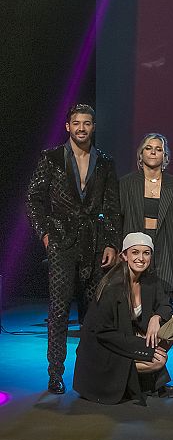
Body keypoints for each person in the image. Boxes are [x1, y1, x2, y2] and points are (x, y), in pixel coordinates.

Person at [26, 103, 120, 394]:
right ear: (68, 126)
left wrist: (111, 243)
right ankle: (56, 373)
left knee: (93, 312)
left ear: (93, 127)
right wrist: (45, 235)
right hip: (61, 244)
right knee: (59, 308)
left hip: (94, 245)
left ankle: (89, 372)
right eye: (76, 123)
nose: (81, 128)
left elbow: (112, 207)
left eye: (87, 123)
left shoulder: (104, 162)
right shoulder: (51, 158)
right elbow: (33, 201)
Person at [74, 232, 172, 404]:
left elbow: (165, 306)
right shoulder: (112, 287)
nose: (141, 258)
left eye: (146, 253)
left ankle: (136, 379)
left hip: (125, 338)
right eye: (135, 252)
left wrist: (156, 317)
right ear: (124, 256)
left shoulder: (150, 281)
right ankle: (118, 380)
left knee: (171, 326)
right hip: (103, 348)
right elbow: (104, 333)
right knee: (157, 361)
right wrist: (141, 345)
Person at [118, 133, 173, 310]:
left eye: (158, 149)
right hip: (136, 242)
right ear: (141, 154)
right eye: (148, 148)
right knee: (134, 290)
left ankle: (163, 333)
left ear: (165, 156)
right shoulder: (126, 183)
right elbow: (117, 218)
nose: (153, 152)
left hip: (166, 244)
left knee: (165, 295)